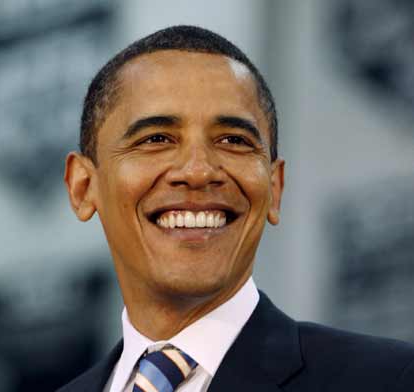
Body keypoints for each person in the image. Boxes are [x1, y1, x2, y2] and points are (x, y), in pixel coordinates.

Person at [59, 25, 414, 392]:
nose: (198, 171)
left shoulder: (390, 379)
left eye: (233, 140)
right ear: (84, 187)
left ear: (274, 189)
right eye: (156, 139)